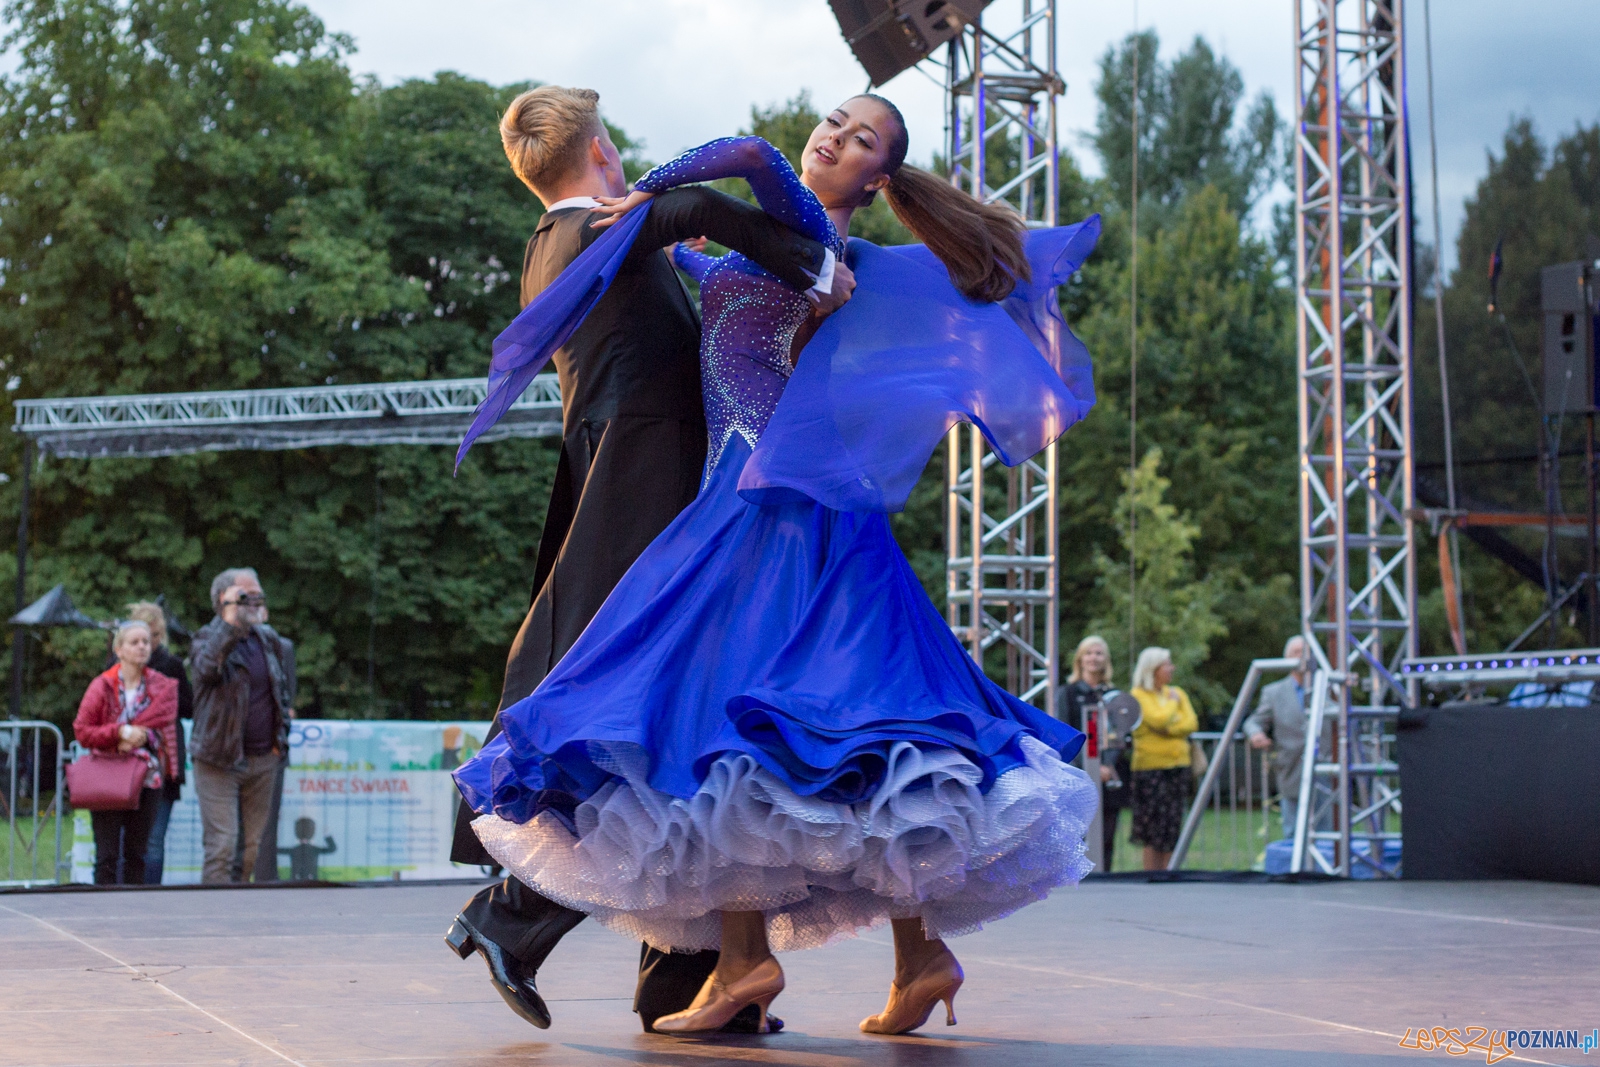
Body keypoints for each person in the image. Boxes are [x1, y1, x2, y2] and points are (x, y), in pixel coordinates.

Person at [454, 93, 1101, 1035]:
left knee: (770, 717)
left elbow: (750, 151)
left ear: (876, 178)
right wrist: (648, 230)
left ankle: (768, 962)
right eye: (835, 120)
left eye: (859, 139)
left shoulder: (817, 234)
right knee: (792, 726)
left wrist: (650, 187)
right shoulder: (775, 248)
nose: (832, 135)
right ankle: (877, 957)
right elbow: (699, 272)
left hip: (773, 501)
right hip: (756, 498)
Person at [443, 84, 850, 1036]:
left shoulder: (553, 245)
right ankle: (512, 916)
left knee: (682, 718)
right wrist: (810, 259)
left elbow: (683, 259)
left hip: (632, 469)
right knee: (634, 704)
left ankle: (682, 972)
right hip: (650, 471)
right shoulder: (601, 228)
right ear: (606, 154)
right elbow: (704, 203)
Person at [189, 567, 296, 885]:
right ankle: (213, 926)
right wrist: (229, 623)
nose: (255, 601)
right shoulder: (207, 637)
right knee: (221, 847)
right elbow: (206, 669)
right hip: (217, 759)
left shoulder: (268, 639)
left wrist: (280, 738)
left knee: (252, 849)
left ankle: (235, 918)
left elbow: (281, 690)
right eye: (245, 596)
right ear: (224, 599)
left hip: (263, 759)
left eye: (257, 595)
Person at [72, 621, 180, 885]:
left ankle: (134, 914)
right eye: (134, 642)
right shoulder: (102, 685)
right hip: (109, 776)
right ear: (119, 649)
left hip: (146, 777)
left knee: (138, 853)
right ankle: (102, 913)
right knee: (107, 854)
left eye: (145, 641)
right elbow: (83, 731)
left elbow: (165, 722)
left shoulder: (161, 686)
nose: (142, 647)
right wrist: (119, 733)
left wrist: (142, 736)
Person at [116, 602, 194, 885]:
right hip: (122, 763)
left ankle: (148, 898)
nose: (144, 646)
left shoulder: (171, 666)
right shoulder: (114, 669)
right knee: (122, 839)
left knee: (152, 840)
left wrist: (159, 707)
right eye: (136, 640)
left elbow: (188, 707)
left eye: (151, 638)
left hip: (161, 763)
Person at [1245, 636, 1324, 837]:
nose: (1300, 657)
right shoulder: (1273, 692)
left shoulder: (1327, 687)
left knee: (1326, 834)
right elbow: (1253, 721)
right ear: (1285, 658)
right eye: (1295, 652)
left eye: (1304, 652)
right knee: (1293, 833)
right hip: (1291, 771)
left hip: (1325, 772)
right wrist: (1256, 734)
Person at [1128, 646, 1199, 871]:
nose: (1172, 668)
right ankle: (1151, 874)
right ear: (1153, 669)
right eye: (1167, 664)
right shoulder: (1139, 695)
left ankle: (1171, 872)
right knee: (1152, 826)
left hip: (1178, 767)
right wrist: (1172, 706)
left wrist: (1169, 728)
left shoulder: (1177, 692)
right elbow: (1157, 719)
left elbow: (1191, 723)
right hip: (1150, 769)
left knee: (1172, 824)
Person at [1062, 636, 1129, 870]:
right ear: (1080, 659)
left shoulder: (1114, 695)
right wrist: (1089, 767)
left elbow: (1121, 734)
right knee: (1079, 833)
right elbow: (1066, 734)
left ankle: (1106, 878)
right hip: (1079, 774)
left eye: (1099, 653)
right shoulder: (1067, 693)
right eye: (1089, 653)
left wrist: (1107, 766)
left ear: (1106, 659)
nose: (1093, 658)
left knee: (1107, 832)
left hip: (1109, 774)